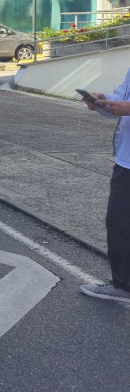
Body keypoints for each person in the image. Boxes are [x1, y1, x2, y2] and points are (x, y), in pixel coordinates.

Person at [78, 75, 130, 304]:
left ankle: (123, 285)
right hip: (126, 161)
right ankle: (123, 285)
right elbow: (121, 99)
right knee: (119, 224)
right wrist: (102, 102)